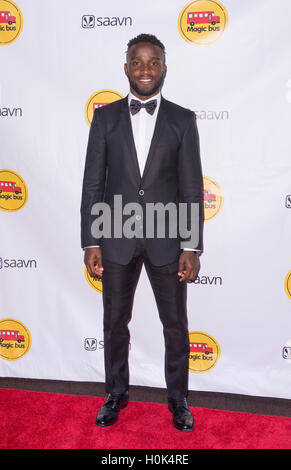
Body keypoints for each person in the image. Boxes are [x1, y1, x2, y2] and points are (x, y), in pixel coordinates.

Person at [80, 33, 204, 432]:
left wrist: (191, 245)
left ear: (164, 68)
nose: (145, 69)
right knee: (114, 323)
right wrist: (92, 239)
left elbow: (189, 187)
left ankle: (179, 399)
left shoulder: (182, 120)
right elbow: (92, 183)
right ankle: (115, 393)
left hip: (169, 241)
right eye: (138, 62)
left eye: (153, 62)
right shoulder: (106, 117)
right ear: (126, 68)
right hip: (115, 238)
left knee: (175, 325)